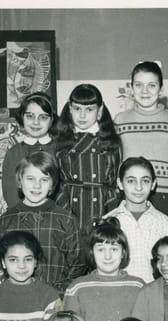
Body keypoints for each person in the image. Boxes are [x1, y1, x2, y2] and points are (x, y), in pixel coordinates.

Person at [0, 151, 82, 293]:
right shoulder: (5, 221)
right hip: (18, 295)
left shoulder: (66, 219)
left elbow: (78, 264)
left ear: (52, 184)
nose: (37, 186)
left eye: (44, 180)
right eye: (30, 179)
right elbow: (4, 262)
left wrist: (59, 292)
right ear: (20, 181)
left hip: (56, 296)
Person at [63, 219, 145, 321]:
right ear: (91, 253)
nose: (108, 256)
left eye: (114, 249)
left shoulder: (138, 286)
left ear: (123, 253)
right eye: (101, 249)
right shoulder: (77, 287)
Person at [114, 61, 168, 227]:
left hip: (165, 196)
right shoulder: (120, 121)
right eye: (139, 85)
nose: (145, 91)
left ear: (161, 89)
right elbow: (116, 162)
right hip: (130, 196)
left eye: (152, 85)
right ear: (131, 89)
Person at [55, 83, 121, 232]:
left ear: (100, 110)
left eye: (89, 109)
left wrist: (110, 211)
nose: (82, 115)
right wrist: (64, 209)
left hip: (102, 208)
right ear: (70, 109)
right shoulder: (60, 140)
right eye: (77, 109)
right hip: (69, 207)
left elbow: (114, 181)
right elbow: (57, 181)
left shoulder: (111, 141)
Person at [103, 156, 168, 282]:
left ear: (153, 184)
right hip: (119, 289)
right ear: (120, 183)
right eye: (131, 181)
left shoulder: (164, 223)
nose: (138, 187)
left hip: (153, 290)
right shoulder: (108, 222)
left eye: (145, 181)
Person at [1, 91, 57, 208]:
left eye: (43, 117)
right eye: (30, 116)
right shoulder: (14, 153)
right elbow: (10, 192)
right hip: (22, 215)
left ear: (51, 119)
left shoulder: (60, 150)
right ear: (22, 117)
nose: (36, 122)